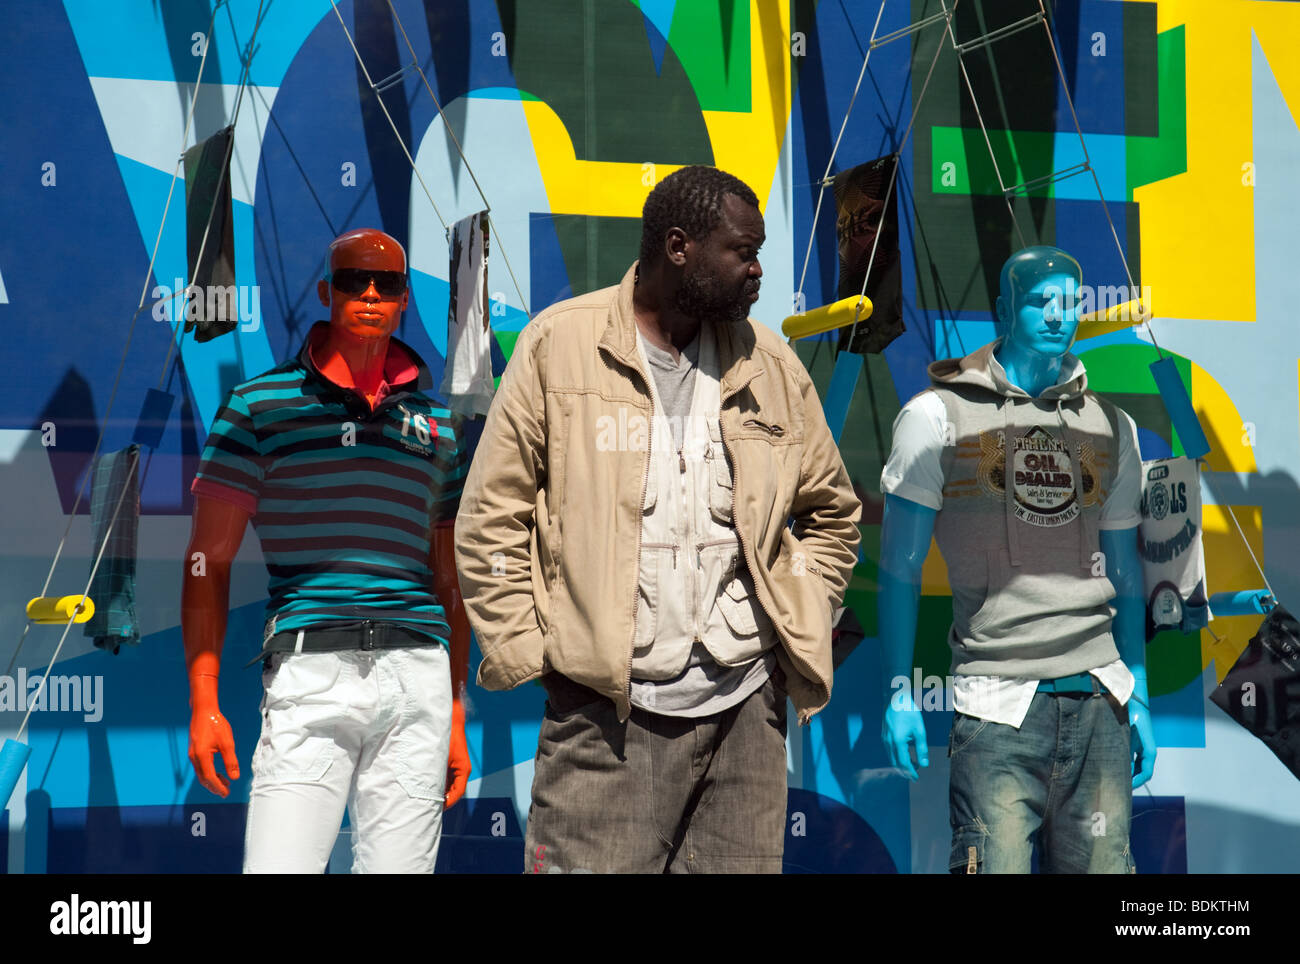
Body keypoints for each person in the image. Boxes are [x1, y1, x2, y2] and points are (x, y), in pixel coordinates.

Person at [455, 165, 862, 873]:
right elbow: (492, 513)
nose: (757, 270)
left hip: (745, 715)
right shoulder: (560, 345)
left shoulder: (770, 363)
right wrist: (539, 654)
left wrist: (801, 613)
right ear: (679, 247)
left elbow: (832, 510)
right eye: (742, 251)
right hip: (604, 718)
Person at [182, 228, 471, 873]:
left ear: (403, 300)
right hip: (312, 668)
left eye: (387, 284)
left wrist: (455, 709)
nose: (370, 294)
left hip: (417, 675)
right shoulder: (259, 407)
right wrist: (205, 703)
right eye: (352, 281)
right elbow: (207, 560)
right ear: (325, 293)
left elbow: (448, 580)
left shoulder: (440, 426)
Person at [878, 245, 1156, 873]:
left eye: (1070, 302)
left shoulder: (1112, 428)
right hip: (997, 707)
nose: (1059, 316)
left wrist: (1137, 695)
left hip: (1101, 699)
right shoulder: (937, 417)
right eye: (1039, 301)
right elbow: (900, 566)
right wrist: (899, 692)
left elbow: (1127, 571)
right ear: (1003, 309)